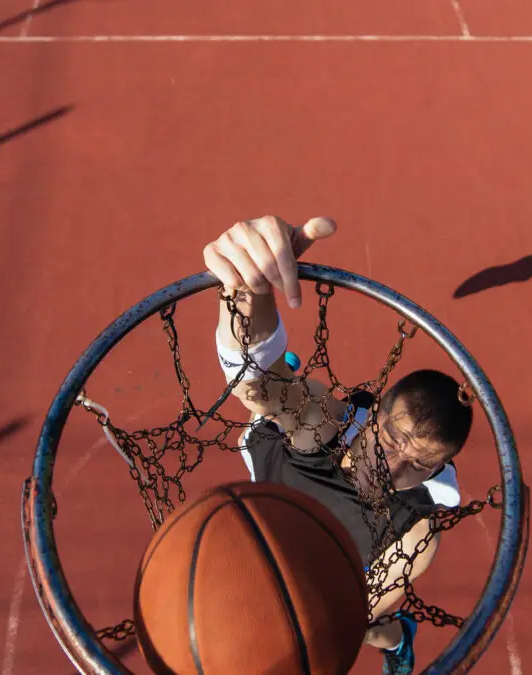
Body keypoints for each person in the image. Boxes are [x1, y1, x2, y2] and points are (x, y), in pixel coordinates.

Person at [203, 216, 472, 675]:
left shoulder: (416, 533)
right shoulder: (324, 423)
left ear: (438, 468)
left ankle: (399, 640)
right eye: (390, 440)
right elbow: (255, 384)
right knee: (267, 399)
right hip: (283, 483)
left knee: (359, 627)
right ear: (375, 416)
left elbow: (351, 611)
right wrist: (250, 291)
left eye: (419, 463)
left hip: (334, 568)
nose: (393, 467)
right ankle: (284, 370)